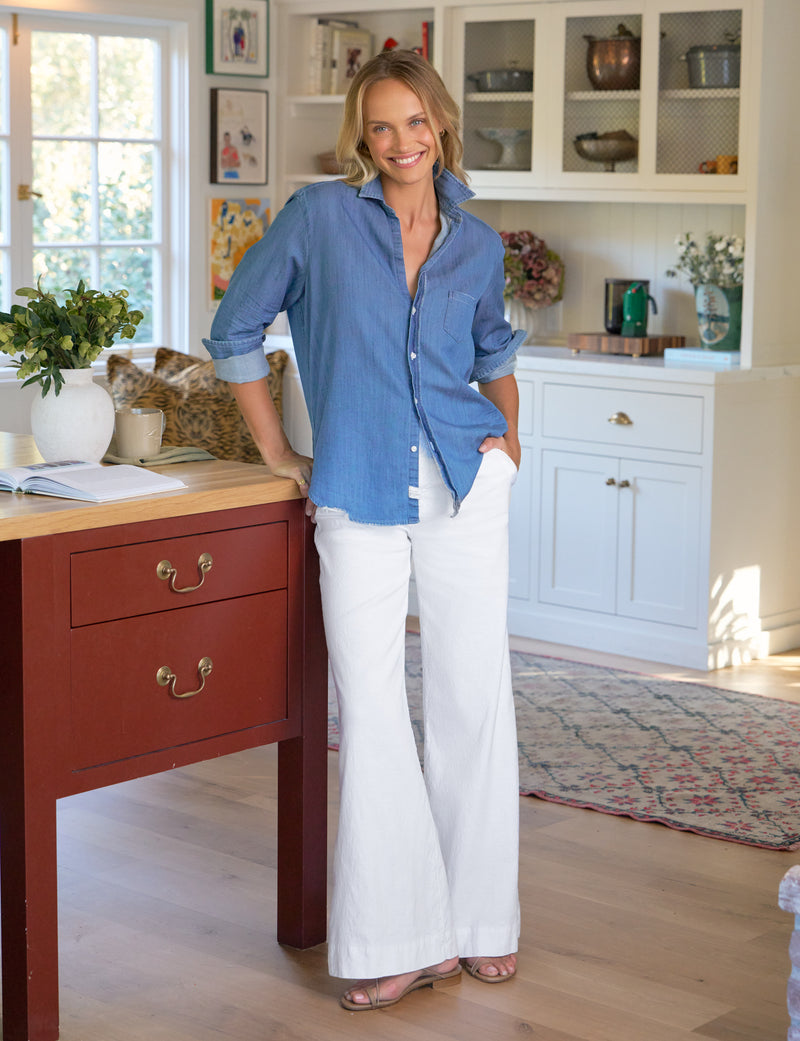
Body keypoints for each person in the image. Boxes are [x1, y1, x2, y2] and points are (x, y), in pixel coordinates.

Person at [203, 48, 524, 1012]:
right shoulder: (318, 221)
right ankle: (399, 937)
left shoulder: (477, 236)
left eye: (415, 123)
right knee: (374, 710)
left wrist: (510, 441)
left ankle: (478, 924)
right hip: (354, 490)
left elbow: (495, 348)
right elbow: (235, 330)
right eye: (381, 126)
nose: (400, 143)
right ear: (360, 133)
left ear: (441, 124)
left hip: (468, 484)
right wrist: (277, 454)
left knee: (474, 696)